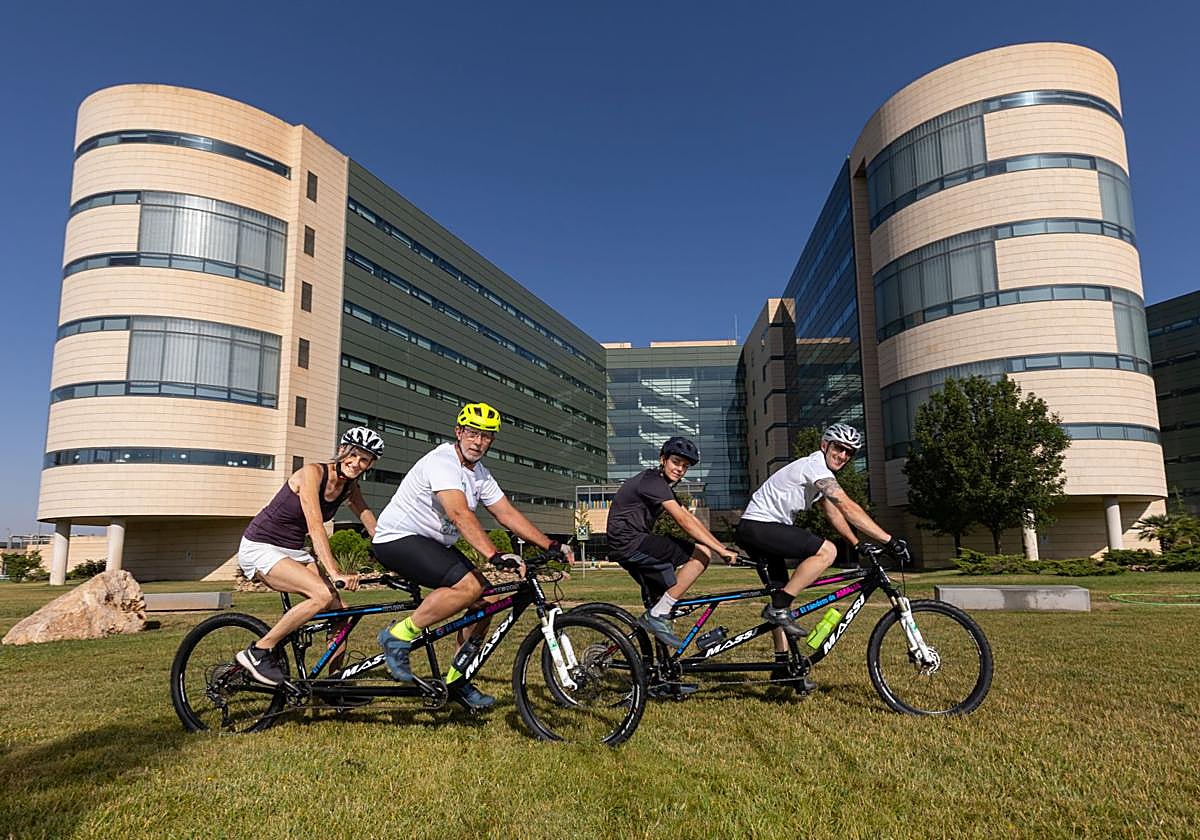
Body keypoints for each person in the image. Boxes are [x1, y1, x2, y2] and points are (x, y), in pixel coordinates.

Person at [372, 402, 574, 711]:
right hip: (398, 539)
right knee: (469, 587)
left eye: (486, 436)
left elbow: (506, 513)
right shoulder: (442, 462)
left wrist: (550, 545)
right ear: (458, 432)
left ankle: (458, 679)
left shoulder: (479, 474)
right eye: (472, 433)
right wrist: (494, 554)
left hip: (433, 544)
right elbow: (458, 513)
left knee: (486, 602)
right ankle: (398, 635)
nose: (478, 442)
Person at [735, 423, 909, 686]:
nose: (843, 455)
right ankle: (778, 607)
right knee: (827, 551)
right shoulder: (815, 465)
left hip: (761, 530)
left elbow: (833, 512)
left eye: (849, 452)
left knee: (781, 593)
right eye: (838, 448)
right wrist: (889, 540)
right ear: (825, 445)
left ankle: (782, 668)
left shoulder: (819, 474)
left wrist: (856, 543)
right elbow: (846, 506)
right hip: (760, 526)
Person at [235, 426, 384, 686]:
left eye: (364, 459)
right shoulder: (312, 474)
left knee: (341, 614)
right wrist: (335, 572)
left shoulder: (350, 487)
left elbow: (370, 523)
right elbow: (315, 526)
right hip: (261, 546)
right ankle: (259, 651)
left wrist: (398, 554)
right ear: (341, 450)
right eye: (353, 455)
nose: (356, 463)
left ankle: (334, 683)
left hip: (293, 551)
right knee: (322, 594)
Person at [607, 436, 740, 650]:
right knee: (701, 554)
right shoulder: (652, 481)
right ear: (663, 459)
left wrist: (723, 548)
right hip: (631, 543)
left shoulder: (661, 486)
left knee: (661, 600)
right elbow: (683, 520)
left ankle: (661, 666)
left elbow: (690, 517)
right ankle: (658, 614)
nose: (680, 469)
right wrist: (718, 550)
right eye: (676, 462)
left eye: (685, 466)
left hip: (630, 544)